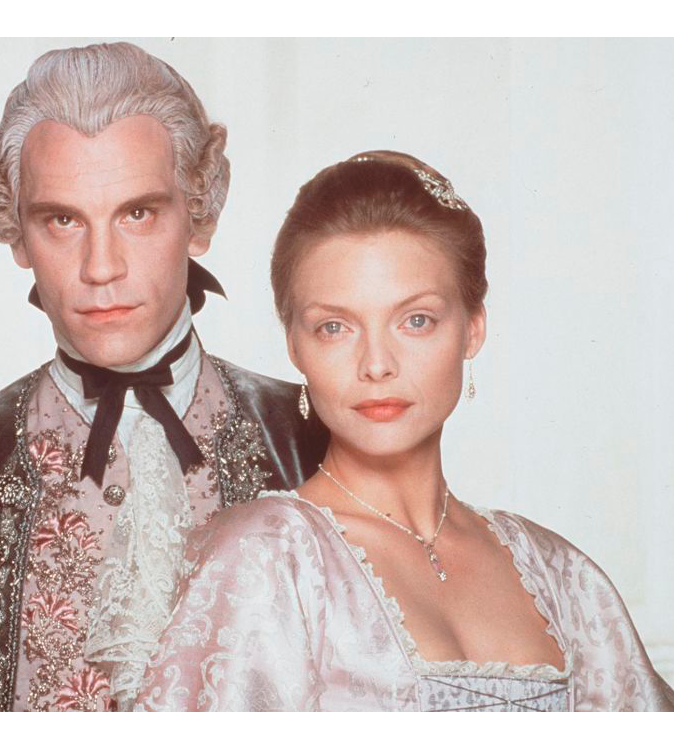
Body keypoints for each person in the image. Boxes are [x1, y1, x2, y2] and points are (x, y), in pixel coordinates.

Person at [0, 42, 329, 712]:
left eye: (138, 214)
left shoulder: (316, 438)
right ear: (16, 232)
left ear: (198, 214)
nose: (101, 266)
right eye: (62, 220)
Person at [137, 150, 674, 711]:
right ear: (295, 345)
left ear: (473, 328)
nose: (377, 364)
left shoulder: (562, 577)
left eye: (416, 320)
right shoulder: (270, 556)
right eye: (335, 327)